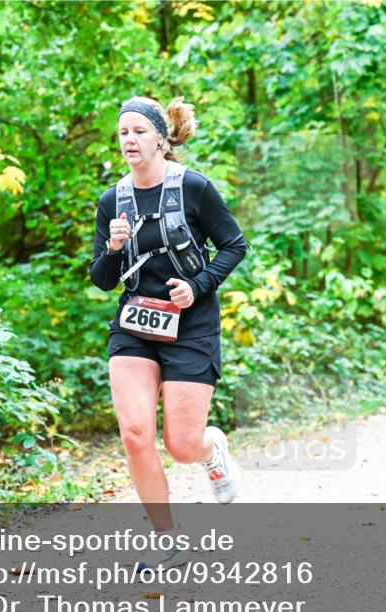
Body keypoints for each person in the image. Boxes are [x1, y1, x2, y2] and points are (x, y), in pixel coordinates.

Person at [89, 96, 248, 569]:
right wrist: (114, 248)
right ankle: (166, 541)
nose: (130, 140)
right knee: (136, 434)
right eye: (123, 133)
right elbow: (101, 278)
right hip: (135, 326)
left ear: (160, 137)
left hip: (191, 326)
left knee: (181, 446)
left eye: (139, 131)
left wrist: (196, 288)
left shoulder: (194, 188)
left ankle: (210, 448)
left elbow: (234, 245)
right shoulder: (112, 200)